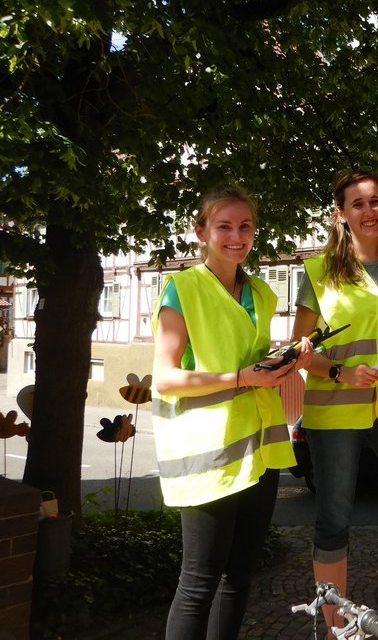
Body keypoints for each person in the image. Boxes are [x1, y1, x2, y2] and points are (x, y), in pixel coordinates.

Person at [151, 184, 313, 640]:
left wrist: (284, 361)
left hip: (259, 449)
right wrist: (243, 377)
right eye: (224, 226)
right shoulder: (180, 288)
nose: (236, 236)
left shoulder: (261, 292)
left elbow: (251, 361)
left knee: (239, 577)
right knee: (198, 583)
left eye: (245, 227)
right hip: (207, 452)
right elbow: (164, 378)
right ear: (201, 231)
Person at [290, 167, 378, 638]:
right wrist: (342, 372)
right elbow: (300, 350)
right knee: (333, 521)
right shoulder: (318, 271)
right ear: (341, 214)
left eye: (376, 201)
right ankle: (333, 627)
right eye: (358, 204)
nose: (370, 211)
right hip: (335, 410)